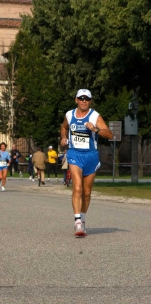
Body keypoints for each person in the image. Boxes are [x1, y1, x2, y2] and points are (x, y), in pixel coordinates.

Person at [60, 89, 113, 237]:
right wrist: (63, 138)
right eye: (81, 98)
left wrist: (95, 129)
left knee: (87, 192)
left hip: (91, 156)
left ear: (90, 101)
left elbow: (109, 134)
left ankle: (82, 218)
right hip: (75, 154)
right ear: (76, 99)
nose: (84, 101)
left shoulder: (95, 116)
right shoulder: (69, 115)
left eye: (87, 99)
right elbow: (64, 127)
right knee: (77, 188)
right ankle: (77, 221)